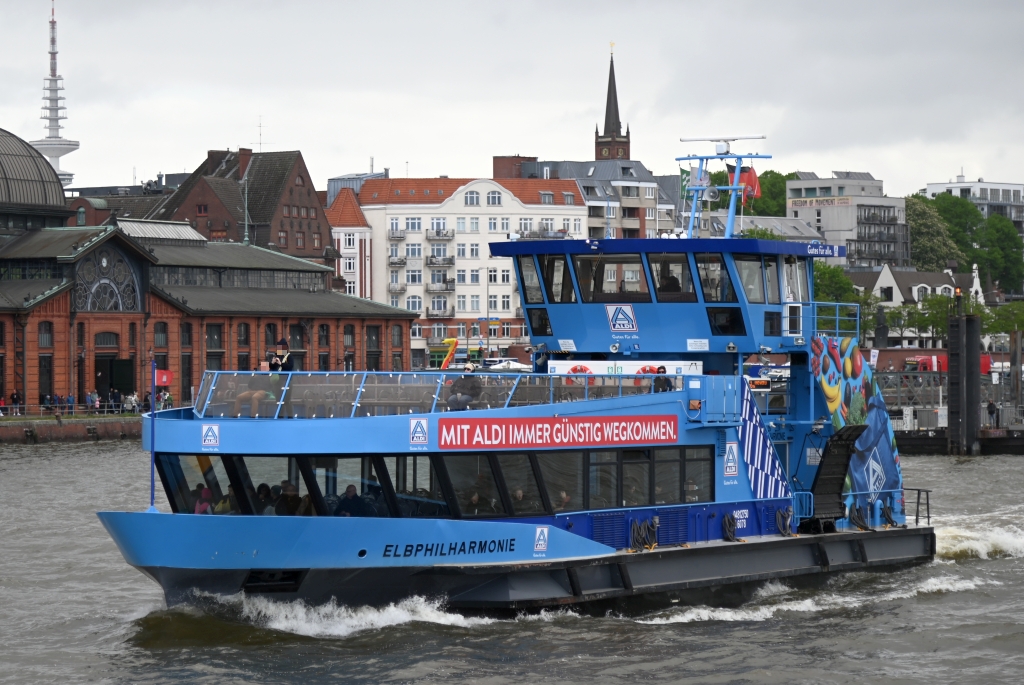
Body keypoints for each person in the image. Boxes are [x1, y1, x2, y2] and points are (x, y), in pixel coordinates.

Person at [269, 339, 294, 417]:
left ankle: (290, 416)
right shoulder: (277, 355)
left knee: (287, 400)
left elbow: (290, 367)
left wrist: (281, 363)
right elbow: (271, 368)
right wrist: (272, 363)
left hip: (286, 381)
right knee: (278, 400)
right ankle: (280, 415)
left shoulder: (289, 356)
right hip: (277, 381)